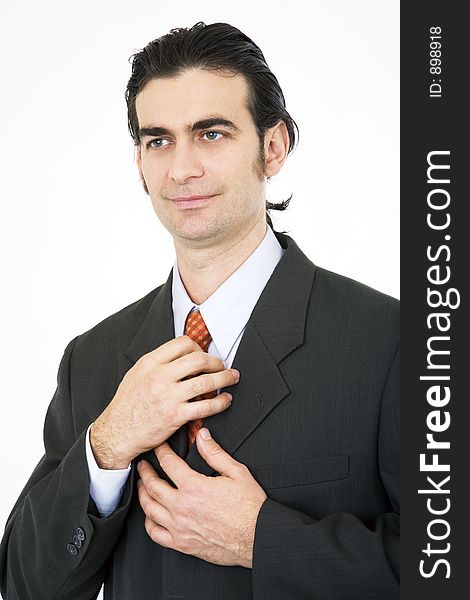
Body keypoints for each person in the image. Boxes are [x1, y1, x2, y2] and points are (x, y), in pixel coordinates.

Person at [0, 21, 399, 600]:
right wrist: (106, 446)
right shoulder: (91, 359)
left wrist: (262, 540)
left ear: (273, 145)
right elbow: (22, 583)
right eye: (158, 140)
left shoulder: (393, 343)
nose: (181, 169)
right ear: (139, 161)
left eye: (211, 134)